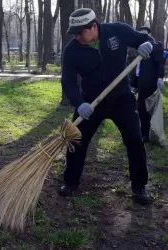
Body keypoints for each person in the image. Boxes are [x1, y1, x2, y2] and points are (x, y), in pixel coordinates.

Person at [60, 8, 153, 204]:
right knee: (76, 141)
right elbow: (68, 82)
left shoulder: (117, 31)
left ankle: (139, 187)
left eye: (80, 33)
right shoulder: (72, 50)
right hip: (91, 103)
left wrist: (147, 44)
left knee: (135, 140)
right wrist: (80, 103)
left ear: (93, 27)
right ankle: (70, 182)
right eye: (74, 33)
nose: (76, 37)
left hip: (122, 99)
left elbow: (144, 41)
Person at [131, 27, 165, 143]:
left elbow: (159, 63)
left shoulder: (156, 47)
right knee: (141, 108)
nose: (143, 36)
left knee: (144, 107)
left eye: (145, 34)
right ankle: (145, 132)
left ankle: (146, 134)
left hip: (150, 83)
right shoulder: (138, 49)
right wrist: (134, 84)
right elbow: (136, 68)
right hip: (141, 83)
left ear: (150, 35)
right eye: (141, 34)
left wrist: (160, 77)